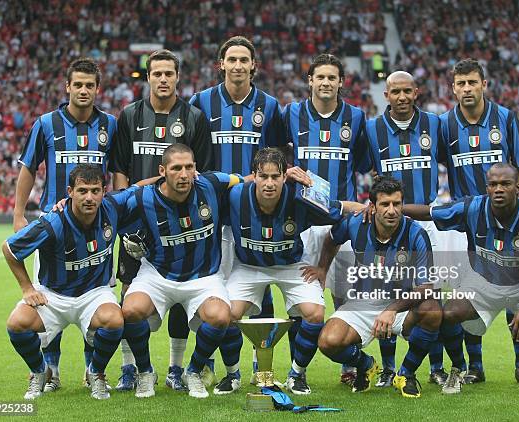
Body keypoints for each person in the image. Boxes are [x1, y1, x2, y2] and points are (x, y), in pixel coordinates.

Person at [403, 163, 519, 397]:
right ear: (487, 188)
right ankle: (458, 368)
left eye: (505, 184)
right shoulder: (472, 208)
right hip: (482, 282)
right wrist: (391, 209)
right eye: (493, 184)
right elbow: (428, 212)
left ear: (518, 188)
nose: (498, 189)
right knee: (449, 312)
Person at [212, 148, 363, 396]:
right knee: (226, 315)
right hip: (249, 266)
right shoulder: (236, 195)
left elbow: (342, 208)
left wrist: (369, 208)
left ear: (285, 177)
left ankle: (298, 374)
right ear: (254, 176)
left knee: (315, 314)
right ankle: (232, 374)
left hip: (291, 265)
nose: (269, 183)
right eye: (263, 176)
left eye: (275, 177)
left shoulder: (300, 197)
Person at [108, 49, 215, 391]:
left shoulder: (194, 117)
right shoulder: (129, 115)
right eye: (157, 74)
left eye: (169, 73)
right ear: (148, 77)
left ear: (177, 77)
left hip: (179, 223)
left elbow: (202, 174)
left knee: (181, 293)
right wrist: (126, 223)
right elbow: (120, 169)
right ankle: (132, 368)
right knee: (129, 296)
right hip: (138, 226)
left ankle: (175, 367)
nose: (163, 79)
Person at [13, 58, 117, 393]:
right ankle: (50, 370)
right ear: (67, 87)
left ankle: (92, 369)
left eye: (90, 85)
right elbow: (29, 168)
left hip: (95, 222)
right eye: (79, 84)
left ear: (97, 89)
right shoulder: (46, 124)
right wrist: (18, 214)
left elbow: (117, 172)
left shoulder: (110, 125)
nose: (84, 90)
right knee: (49, 297)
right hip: (52, 228)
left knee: (93, 295)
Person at [189, 36, 288, 383]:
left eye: (244, 60)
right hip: (214, 219)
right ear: (221, 64)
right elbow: (194, 161)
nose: (237, 65)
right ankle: (226, 368)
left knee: (262, 291)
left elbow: (277, 159)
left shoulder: (271, 106)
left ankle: (265, 369)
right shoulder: (200, 102)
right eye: (231, 59)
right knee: (219, 295)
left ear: (253, 66)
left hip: (259, 216)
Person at [4, 165, 138, 400]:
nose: (89, 197)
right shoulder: (53, 222)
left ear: (104, 191)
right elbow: (10, 248)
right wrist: (27, 288)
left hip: (94, 293)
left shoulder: (112, 207)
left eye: (95, 191)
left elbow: (140, 188)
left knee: (115, 319)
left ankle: (96, 373)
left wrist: (168, 175)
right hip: (53, 295)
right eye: (82, 191)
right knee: (17, 323)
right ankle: (39, 372)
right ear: (70, 192)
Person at [440, 58, 519, 385]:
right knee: (469, 294)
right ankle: (475, 366)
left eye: (472, 82)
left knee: (514, 291)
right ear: (452, 88)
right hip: (468, 225)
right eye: (461, 84)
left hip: (508, 222)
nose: (467, 89)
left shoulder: (506, 118)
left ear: (484, 84)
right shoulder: (444, 125)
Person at [119, 143, 240, 399]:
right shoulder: (142, 198)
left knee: (220, 317)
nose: (184, 174)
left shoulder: (211, 183)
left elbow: (246, 180)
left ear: (196, 168)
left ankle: (193, 371)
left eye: (189, 167)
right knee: (130, 310)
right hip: (158, 275)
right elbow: (105, 204)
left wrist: (287, 176)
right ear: (163, 170)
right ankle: (145, 372)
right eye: (176, 168)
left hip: (204, 276)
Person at [309, 176, 441, 398]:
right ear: (372, 206)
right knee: (328, 342)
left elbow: (427, 287)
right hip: (363, 302)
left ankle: (406, 374)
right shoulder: (355, 223)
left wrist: (392, 309)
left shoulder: (416, 233)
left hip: (401, 303)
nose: (392, 210)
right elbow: (332, 239)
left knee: (433, 310)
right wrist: (322, 268)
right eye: (385, 204)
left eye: (397, 204)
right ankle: (366, 364)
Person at [283, 53, 371, 384]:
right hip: (303, 224)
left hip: (343, 224)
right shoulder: (291, 114)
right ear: (310, 81)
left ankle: (348, 366)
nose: (325, 83)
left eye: (331, 78)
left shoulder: (357, 118)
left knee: (346, 296)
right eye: (320, 77)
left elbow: (361, 165)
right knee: (301, 302)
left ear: (340, 82)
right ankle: (298, 370)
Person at [364, 70, 448, 387]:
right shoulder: (372, 130)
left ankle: (436, 367)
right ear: (386, 95)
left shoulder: (435, 124)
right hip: (388, 222)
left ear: (416, 93)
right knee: (387, 292)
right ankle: (387, 368)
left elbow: (450, 162)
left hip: (427, 222)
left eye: (406, 91)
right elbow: (364, 167)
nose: (401, 97)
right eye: (394, 92)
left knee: (432, 296)